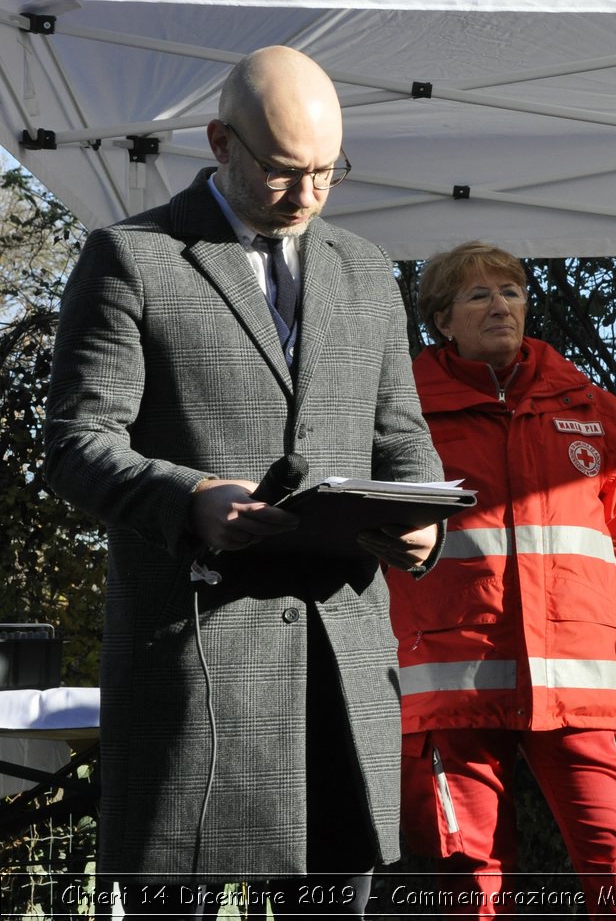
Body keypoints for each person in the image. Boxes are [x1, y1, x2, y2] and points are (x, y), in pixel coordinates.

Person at [43, 46, 443, 914]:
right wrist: (191, 498)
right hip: (194, 665)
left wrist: (422, 518)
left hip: (340, 664)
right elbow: (77, 441)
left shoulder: (366, 271)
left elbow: (402, 439)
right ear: (220, 140)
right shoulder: (132, 258)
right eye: (282, 171)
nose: (305, 195)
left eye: (327, 173)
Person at [388, 240, 616, 919]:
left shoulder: (593, 407)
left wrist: (574, 607)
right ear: (441, 319)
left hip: (578, 681)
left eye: (510, 291)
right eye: (479, 295)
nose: (500, 306)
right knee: (472, 876)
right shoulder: (401, 413)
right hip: (453, 681)